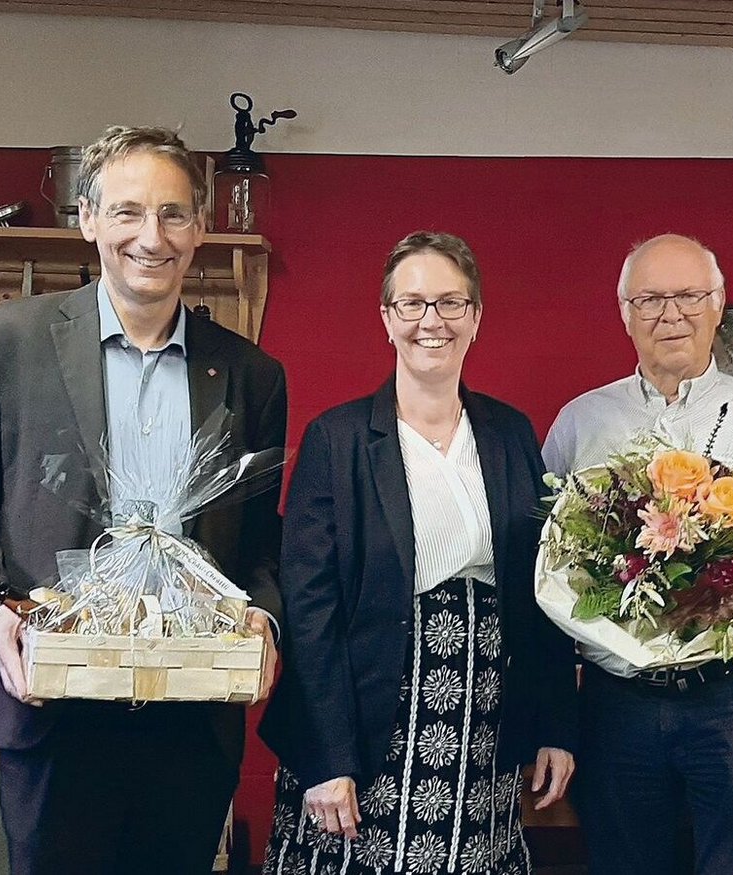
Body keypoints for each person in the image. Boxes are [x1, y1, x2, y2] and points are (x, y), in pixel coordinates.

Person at [0, 125, 286, 874]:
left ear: (200, 227)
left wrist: (265, 616)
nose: (151, 236)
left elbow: (260, 540)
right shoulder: (7, 341)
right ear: (87, 218)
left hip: (192, 715)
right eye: (127, 211)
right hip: (54, 706)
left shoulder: (251, 374)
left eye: (173, 214)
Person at [258, 232, 576, 875]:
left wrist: (554, 725)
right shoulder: (338, 439)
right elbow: (310, 610)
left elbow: (542, 588)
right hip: (366, 718)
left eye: (451, 303)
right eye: (412, 303)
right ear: (387, 317)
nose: (432, 320)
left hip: (482, 719)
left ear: (476, 317)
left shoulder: (510, 434)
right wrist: (327, 756)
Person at [542, 233, 733, 875]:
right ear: (624, 313)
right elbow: (549, 557)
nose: (671, 314)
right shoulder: (580, 422)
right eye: (650, 299)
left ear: (718, 306)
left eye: (689, 296)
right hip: (616, 699)